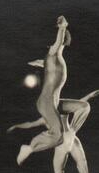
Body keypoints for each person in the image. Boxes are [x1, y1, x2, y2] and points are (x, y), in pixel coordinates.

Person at [8, 89, 99, 173]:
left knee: (82, 163)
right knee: (58, 170)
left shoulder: (61, 109)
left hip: (71, 138)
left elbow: (78, 104)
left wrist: (89, 95)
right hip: (60, 144)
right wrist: (16, 126)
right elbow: (30, 124)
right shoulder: (44, 118)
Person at [17, 16, 90, 165]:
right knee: (58, 137)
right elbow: (57, 43)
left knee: (84, 107)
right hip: (46, 103)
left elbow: (48, 65)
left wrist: (40, 64)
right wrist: (62, 27)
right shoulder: (53, 53)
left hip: (55, 103)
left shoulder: (55, 59)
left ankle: (72, 131)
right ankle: (29, 148)